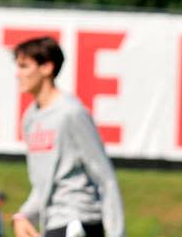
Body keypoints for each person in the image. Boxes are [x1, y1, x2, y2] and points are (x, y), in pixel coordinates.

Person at [12, 37, 125, 237]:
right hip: (52, 223)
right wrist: (24, 215)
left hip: (78, 222)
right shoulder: (30, 118)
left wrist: (116, 233)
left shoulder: (71, 113)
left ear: (46, 68)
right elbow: (43, 184)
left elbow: (104, 176)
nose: (17, 74)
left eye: (24, 66)